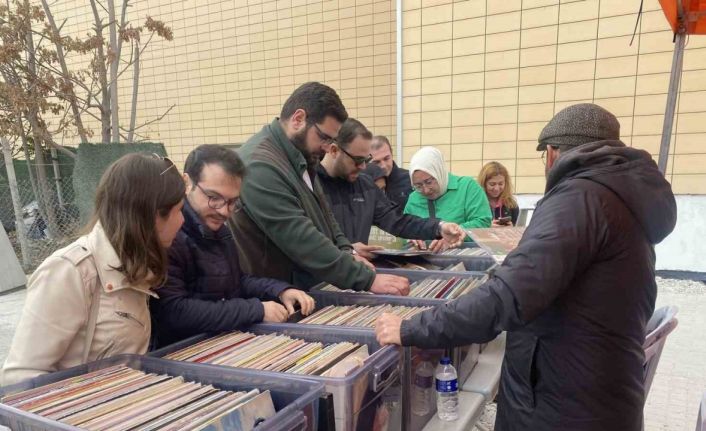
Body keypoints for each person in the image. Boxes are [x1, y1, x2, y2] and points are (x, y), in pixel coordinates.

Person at [375, 103, 678, 431]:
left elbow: (509, 296)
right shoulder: (615, 193)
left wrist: (413, 328)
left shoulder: (580, 199)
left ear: (552, 153)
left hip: (565, 403)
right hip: (594, 388)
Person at [1, 153, 186, 385]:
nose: (183, 220)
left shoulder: (137, 263)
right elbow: (20, 378)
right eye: (179, 210)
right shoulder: (69, 272)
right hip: (79, 416)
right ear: (149, 215)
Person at [230, 82, 409, 295]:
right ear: (298, 119)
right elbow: (300, 237)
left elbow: (325, 214)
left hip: (299, 287)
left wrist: (346, 250)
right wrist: (366, 280)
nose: (327, 146)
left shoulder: (299, 155)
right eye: (324, 137)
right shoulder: (260, 166)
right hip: (273, 295)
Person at [150, 145, 315, 348]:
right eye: (214, 198)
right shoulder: (170, 234)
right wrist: (256, 310)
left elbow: (236, 281)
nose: (224, 211)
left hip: (220, 343)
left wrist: (280, 290)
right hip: (183, 352)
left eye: (232, 202)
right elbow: (174, 312)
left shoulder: (220, 230)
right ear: (187, 183)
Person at [317, 118, 466, 259]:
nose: (363, 167)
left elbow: (397, 220)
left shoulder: (365, 186)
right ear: (334, 150)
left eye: (366, 160)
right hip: (314, 281)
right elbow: (301, 243)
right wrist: (347, 251)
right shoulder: (308, 185)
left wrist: (439, 227)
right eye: (357, 160)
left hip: (355, 277)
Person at [403, 147, 492, 236]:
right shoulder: (414, 198)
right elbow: (404, 228)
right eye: (418, 186)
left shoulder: (468, 187)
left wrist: (454, 234)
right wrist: (411, 239)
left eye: (429, 182)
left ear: (439, 172)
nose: (425, 190)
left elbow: (483, 222)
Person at [370, 135, 412, 208]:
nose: (383, 165)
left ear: (392, 153)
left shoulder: (410, 179)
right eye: (377, 162)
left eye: (386, 159)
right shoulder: (363, 184)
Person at [478, 161, 520, 226]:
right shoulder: (475, 204)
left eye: (501, 184)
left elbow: (519, 231)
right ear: (483, 183)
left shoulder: (511, 205)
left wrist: (512, 229)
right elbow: (467, 231)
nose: (496, 188)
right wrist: (486, 227)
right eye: (492, 184)